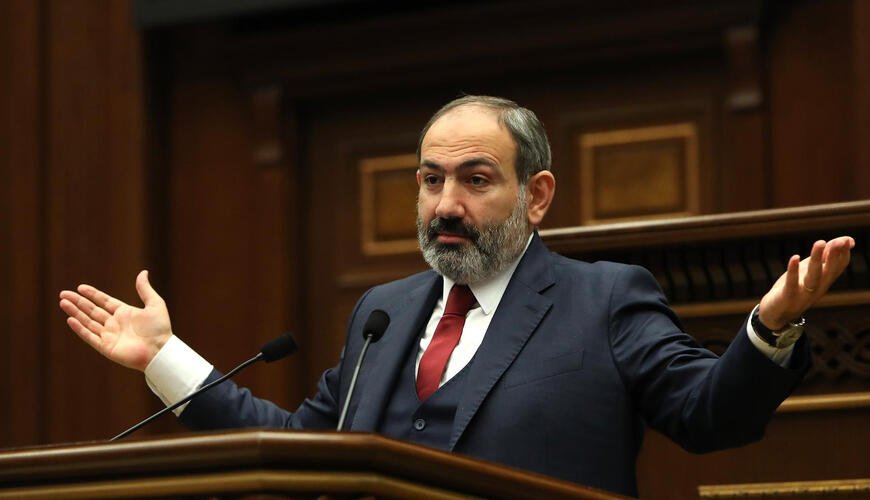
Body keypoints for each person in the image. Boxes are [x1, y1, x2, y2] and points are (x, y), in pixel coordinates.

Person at [59, 95, 855, 497]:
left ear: (536, 196)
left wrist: (768, 328)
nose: (446, 205)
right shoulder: (382, 313)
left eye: (476, 180)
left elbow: (711, 415)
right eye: (432, 180)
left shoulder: (605, 299)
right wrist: (164, 357)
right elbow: (300, 448)